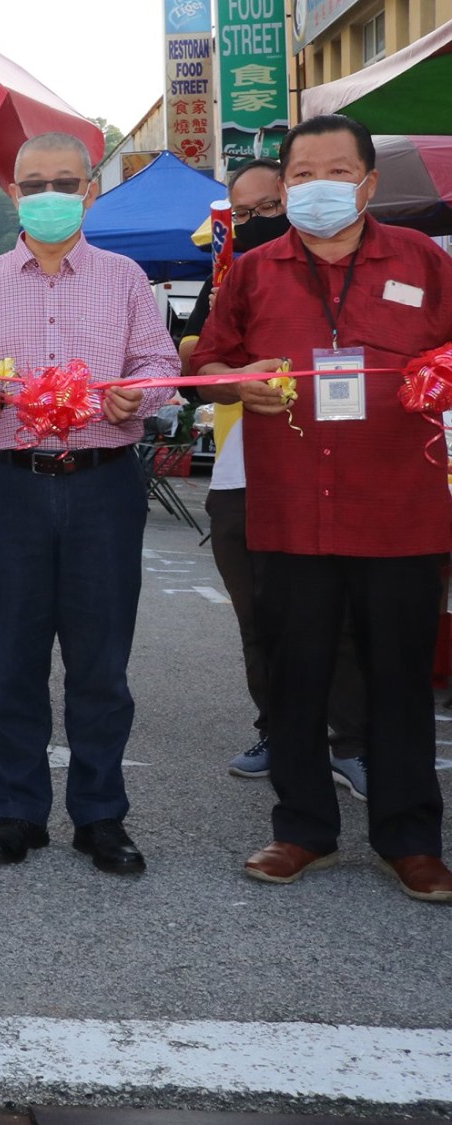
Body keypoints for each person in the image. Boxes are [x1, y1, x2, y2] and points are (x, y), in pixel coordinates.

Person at [193, 114, 452, 902]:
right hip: (291, 506)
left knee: (401, 677)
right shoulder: (254, 271)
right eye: (302, 174)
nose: (317, 187)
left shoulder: (423, 262)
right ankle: (302, 828)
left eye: (336, 171)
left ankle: (410, 838)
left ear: (368, 185)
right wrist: (237, 381)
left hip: (400, 508)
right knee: (296, 673)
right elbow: (206, 359)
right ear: (284, 186)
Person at [0, 132, 179, 875]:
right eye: (32, 184)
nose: (47, 196)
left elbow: (162, 364)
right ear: (12, 193)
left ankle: (100, 814)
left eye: (63, 182)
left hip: (104, 480)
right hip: (11, 483)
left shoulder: (126, 279)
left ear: (90, 190)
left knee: (101, 661)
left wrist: (146, 394)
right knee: (16, 658)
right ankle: (18, 810)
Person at [178, 161, 366, 792]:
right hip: (245, 470)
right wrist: (231, 370)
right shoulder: (237, 277)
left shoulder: (367, 266)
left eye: (268, 208)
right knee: (259, 614)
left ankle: (354, 742)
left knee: (342, 614)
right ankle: (279, 732)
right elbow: (194, 359)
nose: (258, 223)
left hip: (348, 468)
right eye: (245, 214)